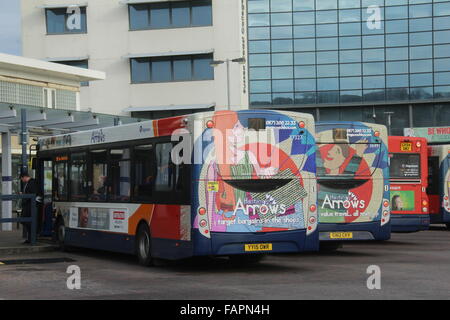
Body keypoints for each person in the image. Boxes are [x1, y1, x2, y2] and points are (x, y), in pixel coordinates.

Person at [20, 172, 38, 244]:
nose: (22, 180)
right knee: (25, 221)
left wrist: (24, 196)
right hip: (27, 206)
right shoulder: (28, 183)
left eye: (21, 178)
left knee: (28, 222)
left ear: (24, 177)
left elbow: (33, 193)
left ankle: (31, 238)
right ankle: (30, 238)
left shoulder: (32, 183)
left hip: (30, 206)